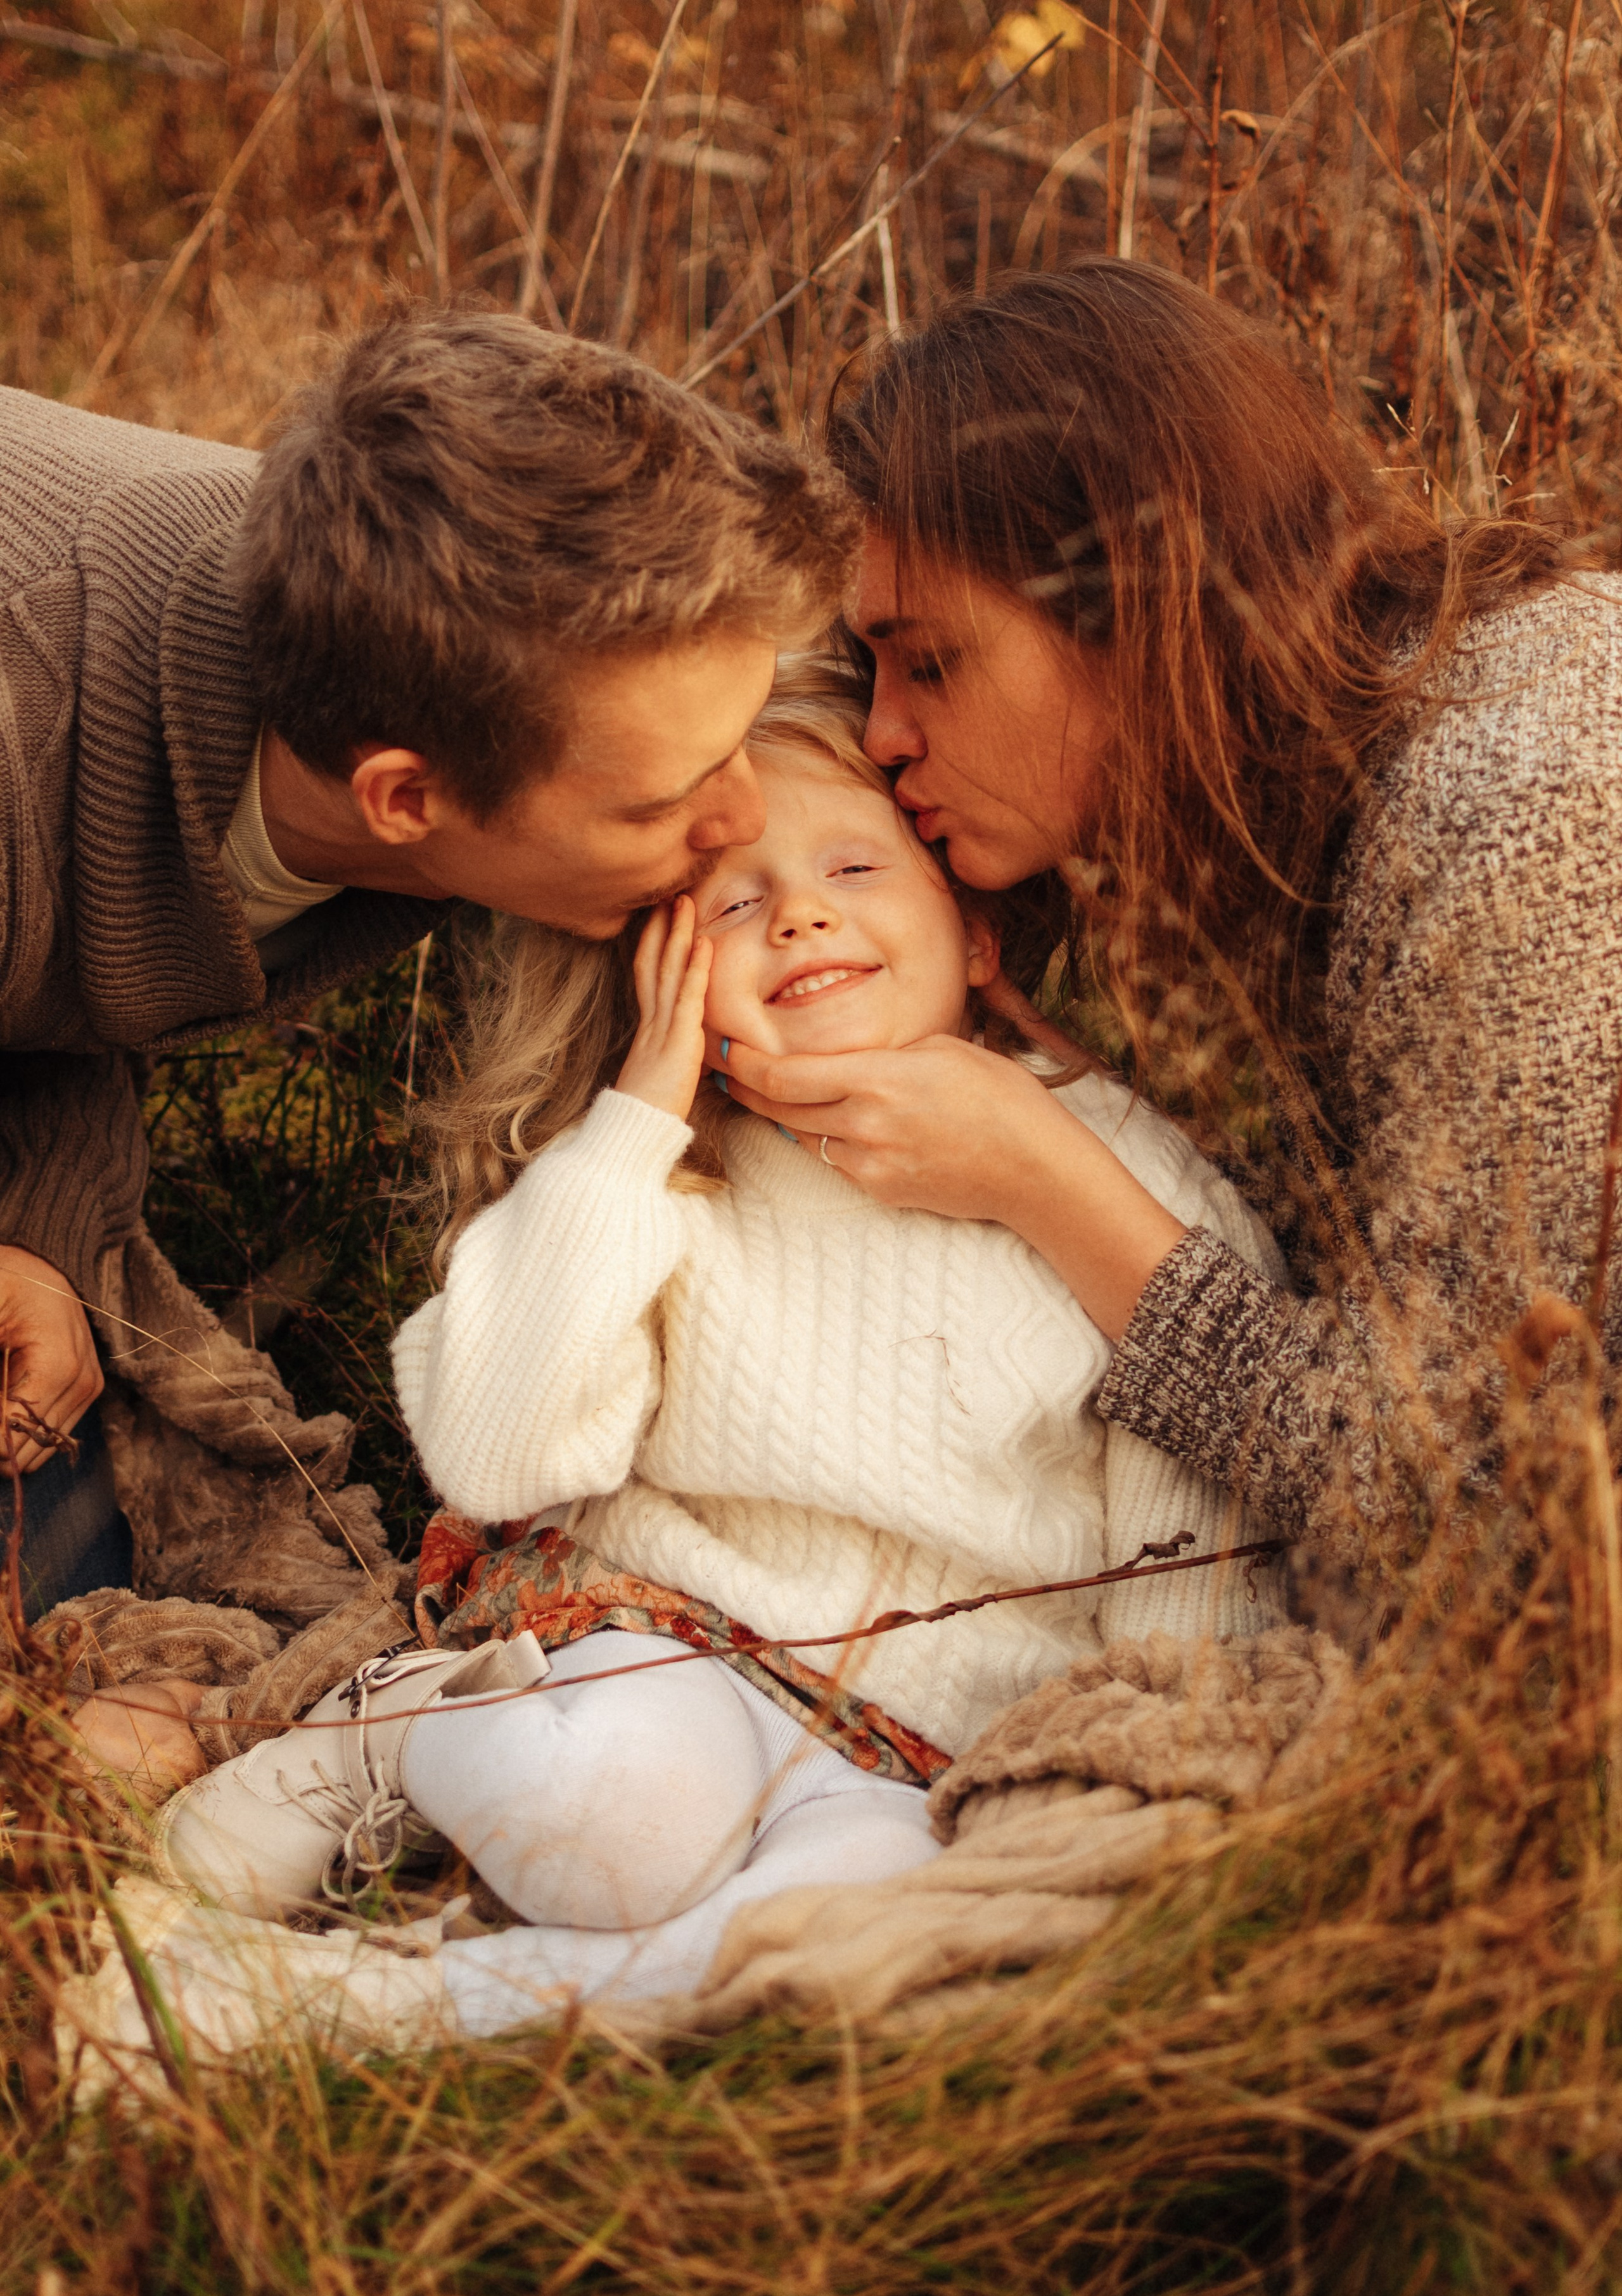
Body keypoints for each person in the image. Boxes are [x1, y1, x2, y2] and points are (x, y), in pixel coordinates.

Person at [153, 666, 1285, 2032]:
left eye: (853, 865)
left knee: (818, 1948)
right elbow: (494, 1453)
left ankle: (336, 2016)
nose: (798, 911)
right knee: (613, 1827)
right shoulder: (668, 1179)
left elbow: (1187, 1546)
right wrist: (635, 1114)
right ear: (665, 980)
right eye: (732, 905)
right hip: (664, 1649)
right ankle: (400, 1724)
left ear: (974, 934)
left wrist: (1128, 1767)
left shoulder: (1120, 1175)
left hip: (923, 1754)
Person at [708, 261, 1622, 1616]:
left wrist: (1048, 1182)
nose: (887, 736)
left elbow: (1463, 1508)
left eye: (933, 662)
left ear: (1132, 606)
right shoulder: (1312, 790)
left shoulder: (1516, 807)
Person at [0, 309, 854, 1618]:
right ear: (404, 802)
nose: (739, 824)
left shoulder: (393, 658)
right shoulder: (30, 709)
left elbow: (51, 978)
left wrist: (43, 1227)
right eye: (657, 805)